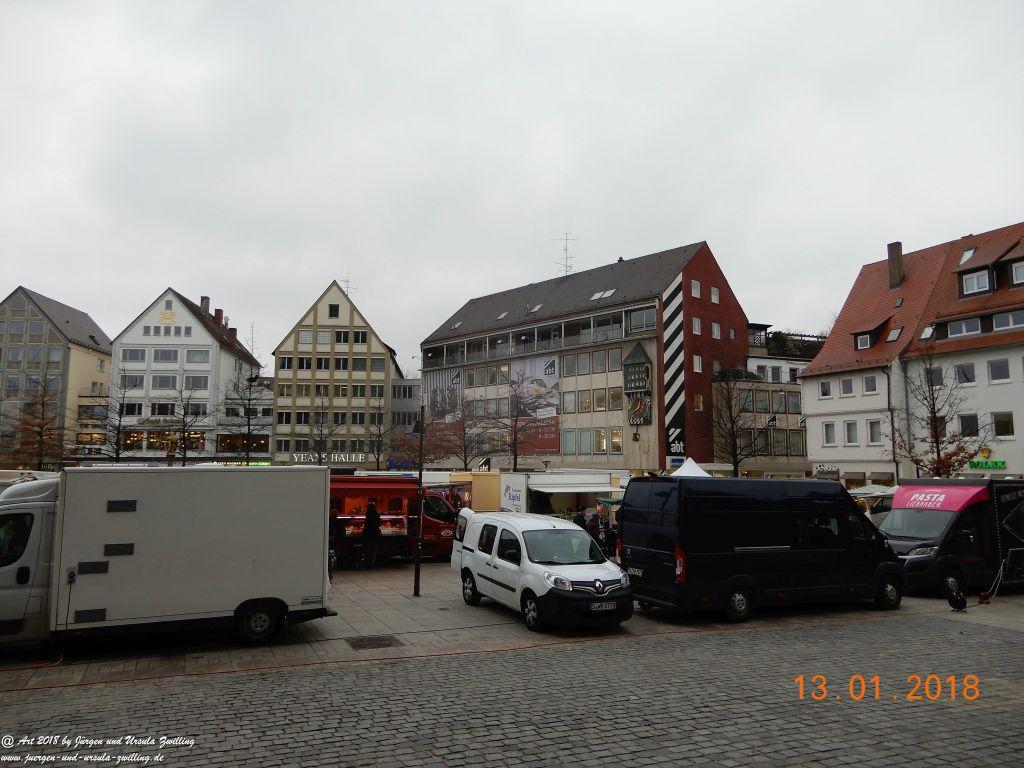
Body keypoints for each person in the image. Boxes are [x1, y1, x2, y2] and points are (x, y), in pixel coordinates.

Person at [362, 498, 381, 569]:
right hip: (375, 534)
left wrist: (364, 530)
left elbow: (366, 524)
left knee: (368, 548)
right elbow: (379, 523)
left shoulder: (368, 514)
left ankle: (368, 562)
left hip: (369, 534)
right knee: (374, 549)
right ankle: (372, 562)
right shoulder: (377, 514)